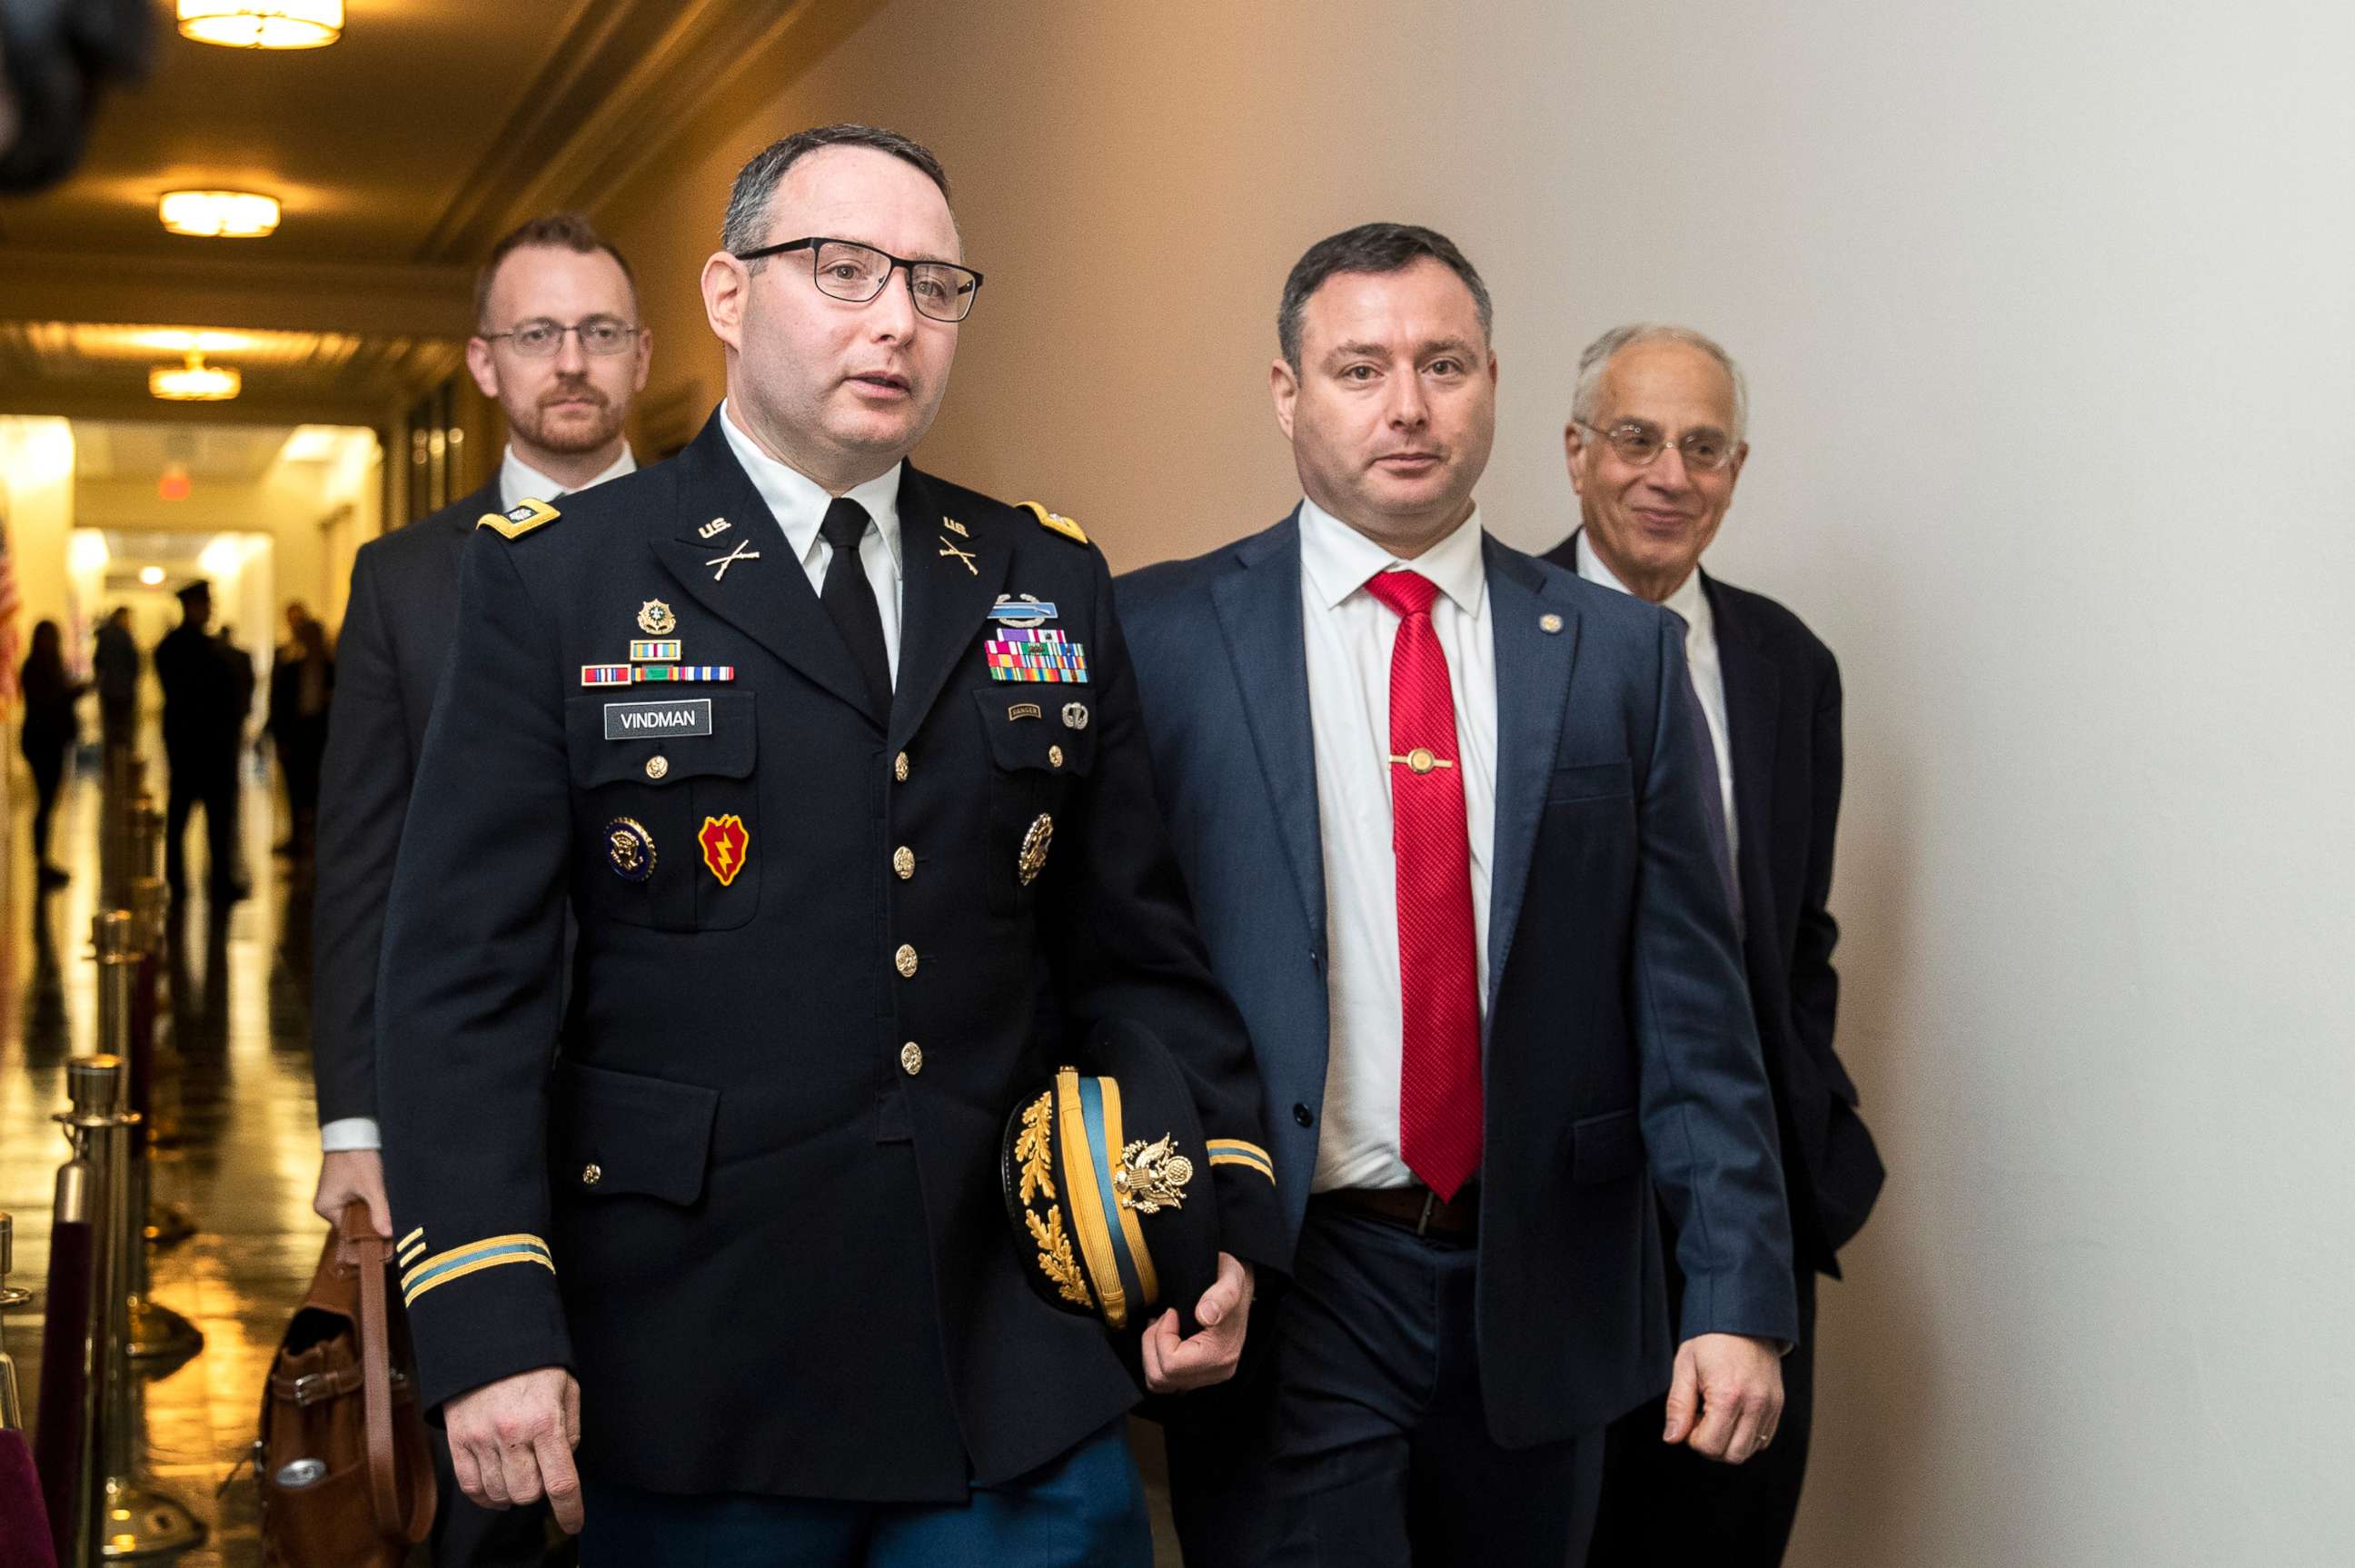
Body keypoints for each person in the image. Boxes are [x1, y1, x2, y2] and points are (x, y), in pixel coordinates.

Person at [374, 124, 1281, 1565]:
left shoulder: (1042, 573)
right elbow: (456, 988)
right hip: (689, 1361)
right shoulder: (565, 582)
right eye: (844, 270)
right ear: (728, 297)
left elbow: (1136, 952)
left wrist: (1220, 1214)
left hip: (1006, 1356)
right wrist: (486, 1317)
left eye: (934, 285)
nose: (896, 320)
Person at [1116, 224, 1799, 1566]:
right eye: (1361, 367)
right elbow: (1119, 972)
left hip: (1544, 1282)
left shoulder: (1619, 657)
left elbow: (1695, 1015)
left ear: (1495, 382)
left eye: (1444, 363)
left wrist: (1736, 1291)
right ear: (1286, 392)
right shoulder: (1162, 638)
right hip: (1296, 1278)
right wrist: (1161, 1237)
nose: (1409, 407)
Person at [311, 210, 652, 1568]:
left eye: (601, 332)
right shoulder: (406, 582)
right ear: (484, 363)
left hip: (673, 1100)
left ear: (641, 356)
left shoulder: (729, 555)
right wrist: (355, 1118)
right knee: (488, 1491)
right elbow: (362, 870)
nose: (572, 362)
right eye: (538, 334)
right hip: (472, 1105)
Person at [1542, 323, 1884, 1567]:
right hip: (1553, 1213)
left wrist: (1800, 1140)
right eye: (1635, 437)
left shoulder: (1791, 665)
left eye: (1703, 446)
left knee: (1719, 1539)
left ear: (1738, 468)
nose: (1667, 474)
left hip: (1746, 1212)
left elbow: (1797, 933)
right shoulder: (1488, 630)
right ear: (1576, 453)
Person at [151, 581, 243, 901]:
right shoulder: (193, 650)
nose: (208, 611)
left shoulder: (184, 648)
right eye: (205, 604)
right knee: (189, 818)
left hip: (198, 745)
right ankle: (191, 880)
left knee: (206, 818)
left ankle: (198, 880)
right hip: (198, 746)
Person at [18, 619, 86, 888]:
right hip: (41, 742)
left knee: (49, 801)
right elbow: (47, 701)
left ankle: (43, 859)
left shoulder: (54, 667)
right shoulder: (34, 668)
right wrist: (70, 693)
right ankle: (40, 860)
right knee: (45, 801)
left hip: (54, 741)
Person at [264, 602, 333, 860]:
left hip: (319, 738)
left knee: (316, 789)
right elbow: (279, 705)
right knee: (293, 789)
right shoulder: (290, 666)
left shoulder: (332, 669)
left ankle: (315, 836)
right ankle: (296, 836)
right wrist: (279, 737)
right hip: (297, 737)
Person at [92, 605, 137, 754]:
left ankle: (111, 758)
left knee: (110, 727)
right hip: (124, 690)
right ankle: (124, 755)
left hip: (108, 689)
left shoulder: (104, 636)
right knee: (124, 726)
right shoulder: (125, 636)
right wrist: (131, 680)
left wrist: (100, 681)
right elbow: (134, 662)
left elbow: (97, 661)